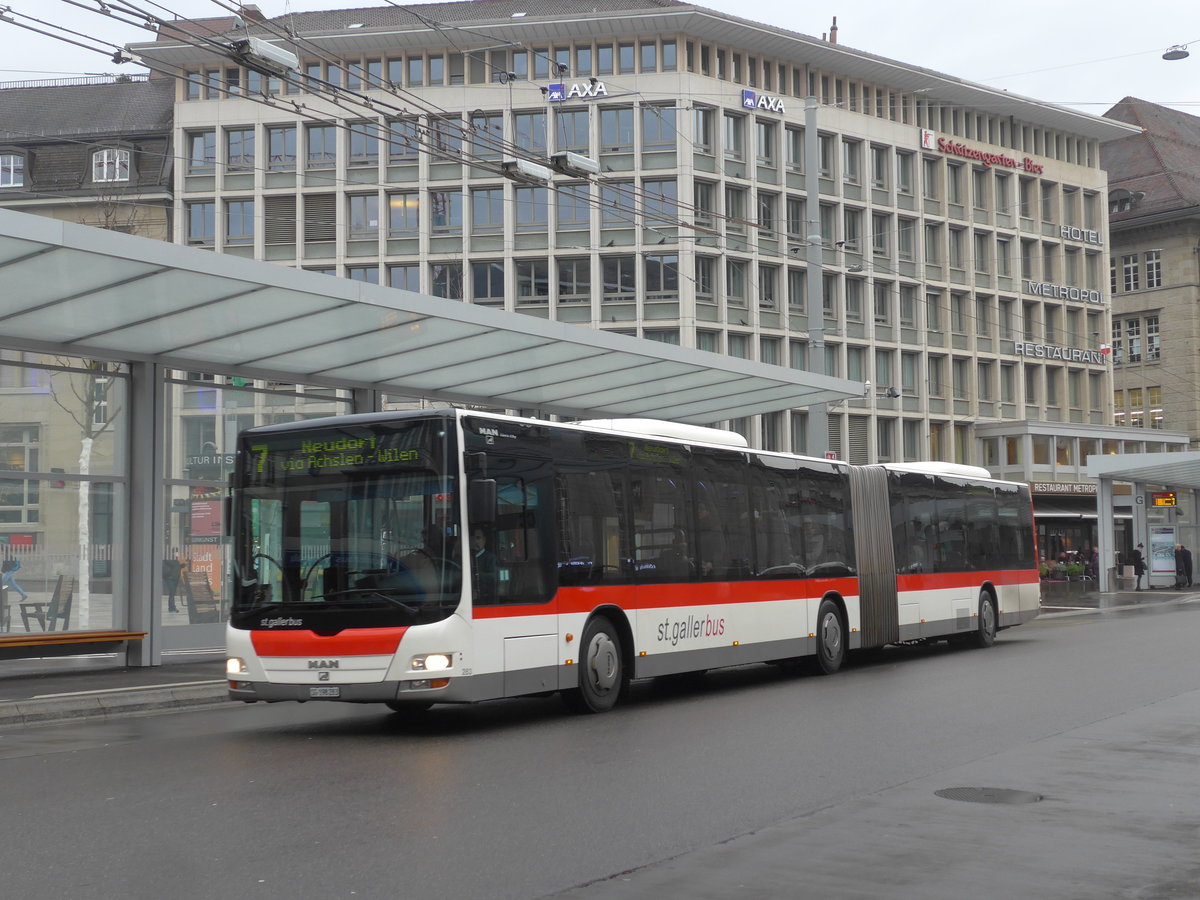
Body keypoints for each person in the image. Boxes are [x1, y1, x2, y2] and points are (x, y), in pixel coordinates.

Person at [470, 527, 498, 603]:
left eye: (478, 538)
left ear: (484, 540)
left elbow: (494, 576)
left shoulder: (490, 558)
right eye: (473, 539)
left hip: (486, 599)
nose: (475, 541)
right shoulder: (467, 558)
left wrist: (477, 575)